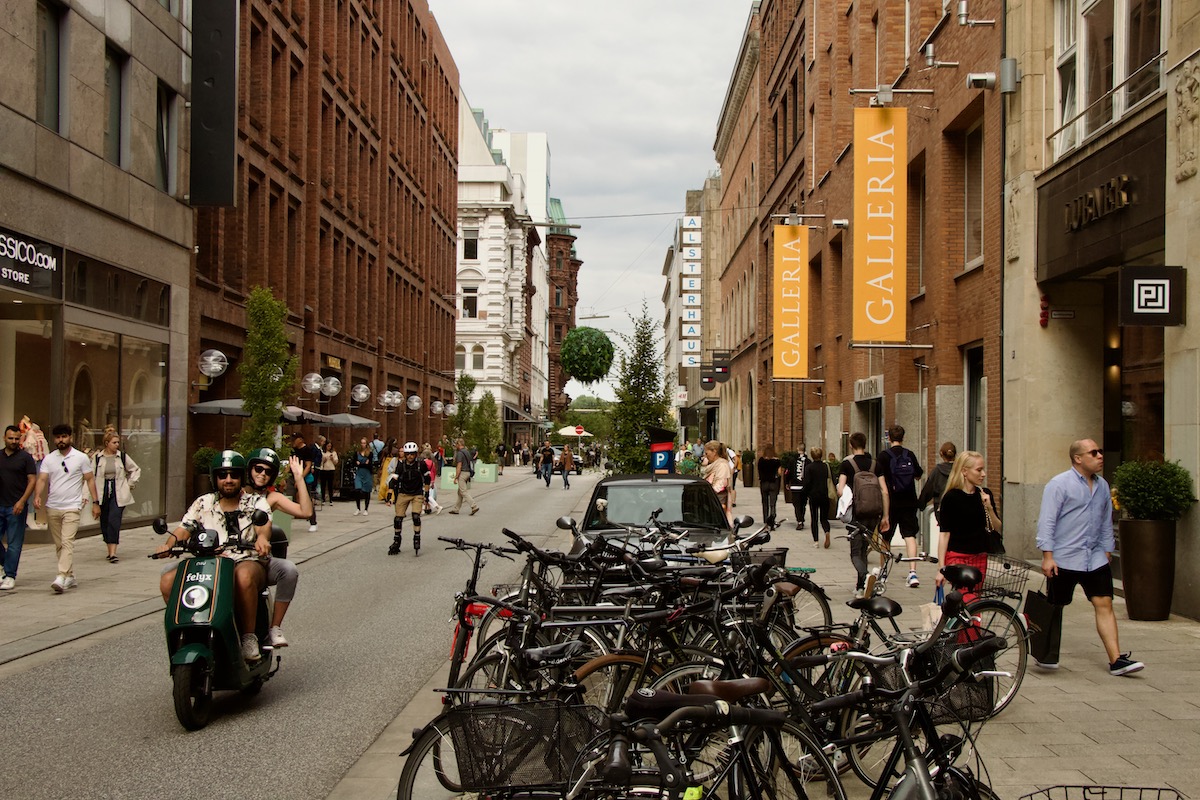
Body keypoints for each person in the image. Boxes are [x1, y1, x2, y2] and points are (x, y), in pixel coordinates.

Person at [1037, 439, 1144, 676]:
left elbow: (1106, 521)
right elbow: (1047, 521)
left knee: (1104, 603)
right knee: (1055, 606)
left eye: (1100, 451)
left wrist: (1107, 549)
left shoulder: (1103, 485)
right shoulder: (1059, 484)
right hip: (1063, 557)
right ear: (1078, 458)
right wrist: (1047, 556)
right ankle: (1044, 653)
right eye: (1094, 452)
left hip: (1094, 557)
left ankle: (1116, 660)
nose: (1100, 456)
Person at [157, 451, 272, 662]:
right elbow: (185, 528)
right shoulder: (203, 503)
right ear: (215, 478)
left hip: (244, 559)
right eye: (223, 475)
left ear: (241, 478)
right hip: (207, 565)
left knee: (243, 577)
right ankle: (188, 629)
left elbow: (263, 525)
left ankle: (248, 637)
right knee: (167, 582)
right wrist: (168, 544)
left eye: (233, 475)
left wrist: (262, 539)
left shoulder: (255, 502)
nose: (228, 480)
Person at [245, 448, 311, 648]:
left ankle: (274, 627)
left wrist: (299, 478)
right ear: (249, 470)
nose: (262, 474)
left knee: (289, 570)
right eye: (258, 469)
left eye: (268, 472)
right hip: (227, 553)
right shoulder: (233, 491)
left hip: (256, 556)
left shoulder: (271, 498)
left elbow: (305, 511)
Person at [34, 424, 100, 593]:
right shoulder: (49, 458)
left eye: (64, 436)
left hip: (72, 506)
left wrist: (95, 502)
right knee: (59, 544)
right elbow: (42, 479)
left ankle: (62, 575)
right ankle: (69, 576)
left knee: (67, 542)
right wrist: (37, 496)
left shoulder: (81, 458)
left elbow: (90, 479)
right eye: (57, 437)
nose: (60, 440)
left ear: (70, 437)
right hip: (53, 506)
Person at [933, 450, 998, 600]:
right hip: (957, 557)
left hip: (980, 556)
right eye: (979, 470)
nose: (984, 474)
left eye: (983, 469)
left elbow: (997, 527)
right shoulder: (951, 498)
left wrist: (989, 507)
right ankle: (969, 624)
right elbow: (944, 534)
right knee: (967, 600)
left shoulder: (984, 494)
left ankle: (969, 624)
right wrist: (941, 569)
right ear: (964, 471)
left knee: (975, 600)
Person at [837, 432, 890, 599]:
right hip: (874, 512)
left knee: (855, 552)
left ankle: (866, 577)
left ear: (851, 445)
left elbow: (840, 490)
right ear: (865, 444)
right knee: (865, 547)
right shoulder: (875, 465)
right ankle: (861, 587)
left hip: (856, 513)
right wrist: (885, 516)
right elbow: (884, 491)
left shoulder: (847, 464)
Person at [876, 425, 925, 588]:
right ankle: (912, 573)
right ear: (903, 437)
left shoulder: (883, 456)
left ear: (888, 438)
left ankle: (883, 572)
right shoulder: (909, 454)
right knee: (909, 536)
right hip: (909, 501)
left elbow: (879, 478)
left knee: (886, 538)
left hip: (890, 502)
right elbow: (918, 473)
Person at [92, 431, 142, 564]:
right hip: (102, 492)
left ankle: (113, 552)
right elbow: (90, 478)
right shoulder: (98, 458)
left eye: (118, 442)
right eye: (114, 442)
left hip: (118, 491)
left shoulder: (122, 457)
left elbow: (136, 469)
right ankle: (108, 546)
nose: (117, 445)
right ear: (107, 443)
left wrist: (129, 484)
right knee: (105, 521)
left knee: (114, 519)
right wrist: (90, 498)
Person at [0, 425, 37, 590]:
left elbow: (32, 480)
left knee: (14, 543)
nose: (14, 441)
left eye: (17, 438)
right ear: (4, 438)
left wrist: (22, 501)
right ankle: (5, 563)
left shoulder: (25, 457)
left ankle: (9, 575)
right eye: (11, 438)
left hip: (16, 506)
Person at [387, 442, 431, 554]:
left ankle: (417, 537)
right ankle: (397, 540)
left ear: (416, 454)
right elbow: (394, 480)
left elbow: (427, 479)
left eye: (412, 454)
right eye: (407, 454)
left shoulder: (421, 464)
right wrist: (389, 495)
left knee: (416, 516)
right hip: (404, 493)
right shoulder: (401, 465)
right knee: (398, 518)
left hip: (417, 493)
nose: (410, 456)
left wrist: (426, 494)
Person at [918, 441, 958, 524]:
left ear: (941, 454)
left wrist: (921, 504)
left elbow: (928, 489)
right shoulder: (960, 470)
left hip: (941, 507)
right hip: (958, 507)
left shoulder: (937, 471)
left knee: (945, 533)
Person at [804, 446, 832, 548]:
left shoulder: (809, 467)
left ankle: (816, 541)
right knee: (824, 518)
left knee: (814, 518)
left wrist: (806, 494)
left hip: (813, 495)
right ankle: (827, 532)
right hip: (824, 494)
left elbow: (807, 482)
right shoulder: (825, 466)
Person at [292, 433, 319, 532]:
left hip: (303, 477)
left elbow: (308, 466)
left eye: (295, 439)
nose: (293, 441)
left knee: (306, 498)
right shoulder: (293, 450)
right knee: (289, 496)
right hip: (292, 476)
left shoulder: (307, 450)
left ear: (300, 440)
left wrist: (300, 478)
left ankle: (313, 521)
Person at [701, 440, 733, 523]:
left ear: (714, 452)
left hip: (717, 501)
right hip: (712, 501)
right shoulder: (715, 465)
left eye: (707, 453)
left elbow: (721, 484)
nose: (705, 455)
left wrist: (708, 492)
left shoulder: (722, 465)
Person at [448, 438, 479, 515]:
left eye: (456, 444)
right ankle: (456, 508)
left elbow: (459, 465)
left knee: (463, 491)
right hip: (468, 472)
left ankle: (474, 506)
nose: (456, 446)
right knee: (460, 492)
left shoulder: (460, 453)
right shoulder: (467, 452)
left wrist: (456, 477)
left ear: (459, 444)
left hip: (463, 473)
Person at [756, 444, 783, 530]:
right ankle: (772, 521)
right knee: (772, 504)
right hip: (773, 483)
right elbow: (779, 473)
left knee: (765, 503)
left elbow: (759, 471)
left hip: (764, 483)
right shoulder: (777, 461)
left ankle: (765, 522)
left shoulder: (761, 460)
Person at [787, 446, 810, 530]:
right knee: (803, 504)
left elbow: (788, 472)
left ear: (798, 450)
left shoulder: (792, 460)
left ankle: (799, 520)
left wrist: (787, 482)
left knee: (796, 504)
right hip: (804, 486)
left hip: (795, 486)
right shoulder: (808, 461)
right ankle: (801, 518)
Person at [352, 438, 375, 516]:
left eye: (364, 443)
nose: (363, 445)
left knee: (367, 491)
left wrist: (361, 463)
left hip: (367, 473)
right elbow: (354, 462)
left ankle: (366, 509)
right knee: (357, 489)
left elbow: (369, 464)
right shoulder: (357, 453)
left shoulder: (370, 453)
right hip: (359, 473)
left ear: (367, 444)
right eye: (362, 443)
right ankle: (358, 508)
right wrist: (362, 463)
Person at [422, 447, 443, 514]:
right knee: (427, 494)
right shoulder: (432, 463)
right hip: (431, 479)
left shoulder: (423, 462)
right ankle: (424, 508)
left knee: (426, 495)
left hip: (425, 480)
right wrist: (433, 481)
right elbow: (434, 472)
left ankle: (437, 506)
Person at [318, 439, 339, 507]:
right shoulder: (322, 452)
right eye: (328, 446)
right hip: (324, 469)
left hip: (331, 469)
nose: (329, 447)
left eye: (330, 446)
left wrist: (332, 459)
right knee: (323, 485)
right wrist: (325, 459)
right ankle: (323, 499)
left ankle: (331, 499)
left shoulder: (334, 453)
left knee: (330, 485)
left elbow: (336, 462)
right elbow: (320, 462)